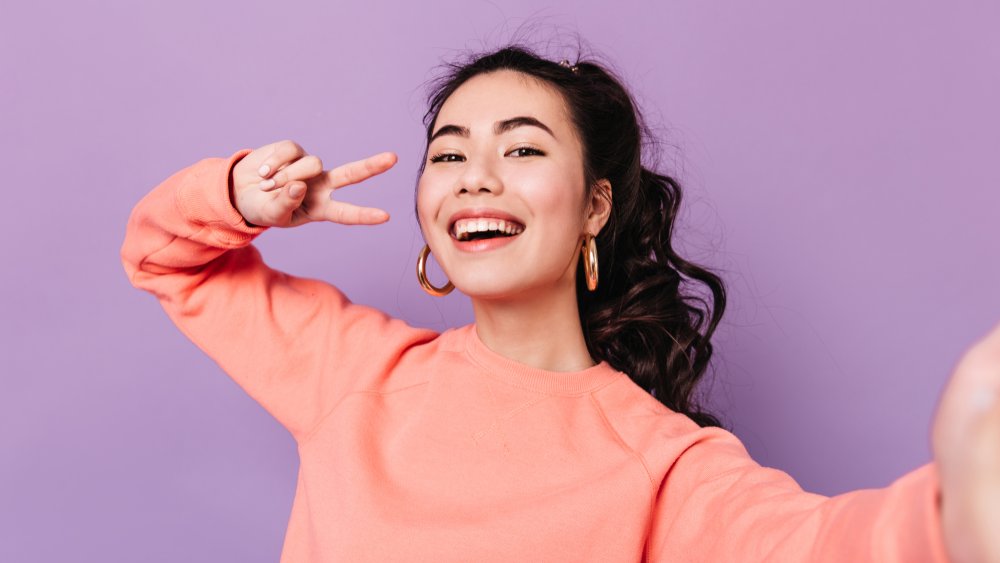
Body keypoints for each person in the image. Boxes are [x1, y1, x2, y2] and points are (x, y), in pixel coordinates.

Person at [120, 44, 999, 562]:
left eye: (523, 149)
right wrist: (237, 193)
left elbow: (813, 545)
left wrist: (957, 504)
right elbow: (171, 263)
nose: (478, 179)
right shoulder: (353, 371)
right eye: (451, 153)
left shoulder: (660, 459)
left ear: (595, 205)